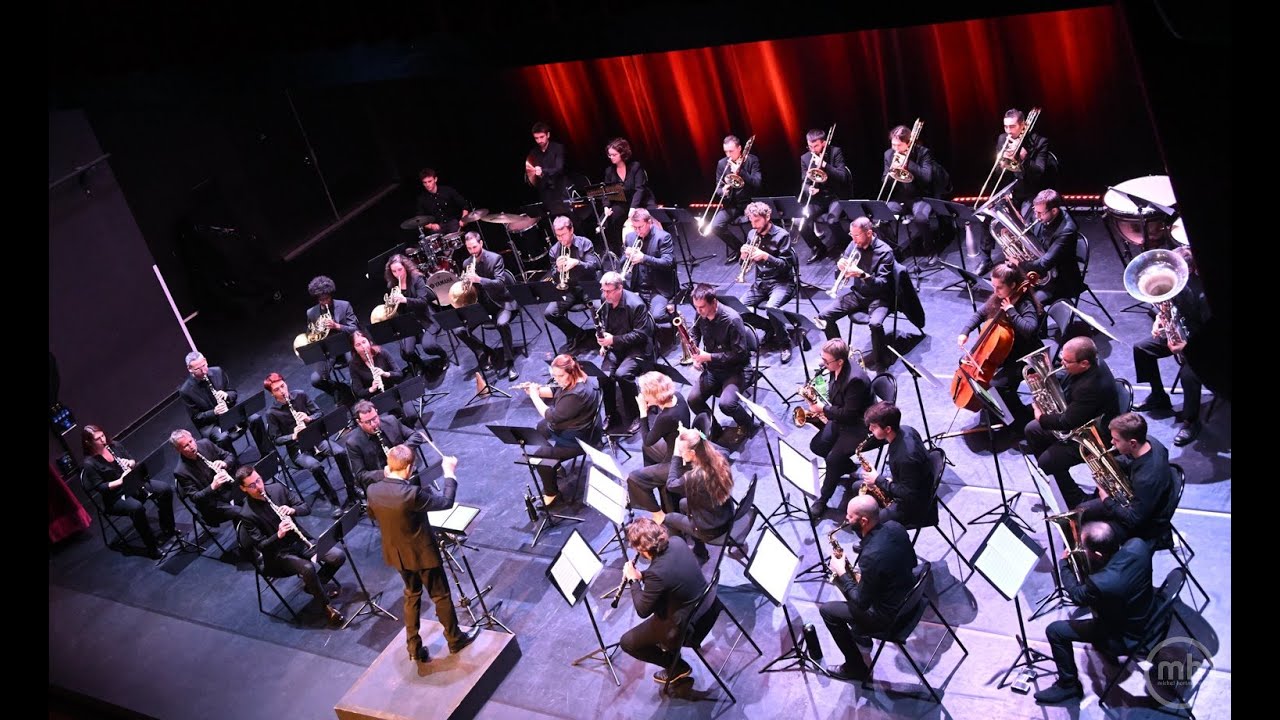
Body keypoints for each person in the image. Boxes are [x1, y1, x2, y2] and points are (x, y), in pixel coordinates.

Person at [366, 445, 480, 663]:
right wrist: (449, 473)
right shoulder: (411, 494)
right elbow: (445, 502)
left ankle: (414, 647)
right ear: (408, 467)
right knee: (440, 595)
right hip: (422, 553)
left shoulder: (372, 490)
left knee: (411, 594)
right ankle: (455, 640)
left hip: (397, 553)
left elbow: (373, 514)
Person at [1034, 522, 1154, 705]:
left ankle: (1069, 686)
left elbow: (1076, 595)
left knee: (1055, 631)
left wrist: (1064, 564)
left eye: (1084, 547)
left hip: (1124, 635)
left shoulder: (1103, 583)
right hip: (1149, 614)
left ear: (1098, 554)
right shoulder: (1138, 545)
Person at [819, 495, 918, 682]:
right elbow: (912, 562)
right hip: (910, 595)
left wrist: (843, 573)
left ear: (863, 521)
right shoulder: (895, 527)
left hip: (889, 617)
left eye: (849, 517)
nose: (846, 520)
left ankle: (855, 667)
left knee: (828, 611)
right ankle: (860, 634)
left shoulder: (870, 556)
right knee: (854, 585)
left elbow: (862, 603)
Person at [234, 466, 347, 626]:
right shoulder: (247, 514)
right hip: (278, 555)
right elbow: (261, 546)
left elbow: (305, 508)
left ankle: (315, 585)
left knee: (338, 556)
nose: (259, 486)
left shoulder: (277, 489)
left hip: (300, 541)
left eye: (258, 480)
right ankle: (326, 606)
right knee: (308, 569)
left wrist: (293, 510)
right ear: (243, 488)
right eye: (252, 485)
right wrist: (278, 534)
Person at [1024, 336, 1121, 509]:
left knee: (1047, 461)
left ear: (1084, 363)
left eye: (1067, 362)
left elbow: (1066, 421)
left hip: (1095, 437)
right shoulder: (1091, 363)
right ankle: (1057, 483)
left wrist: (1041, 416)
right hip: (1080, 419)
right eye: (1062, 358)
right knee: (1032, 430)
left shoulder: (1091, 386)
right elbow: (1067, 378)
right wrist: (1041, 379)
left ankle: (1075, 501)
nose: (1061, 364)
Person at [619, 518, 711, 686]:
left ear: (644, 551)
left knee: (627, 642)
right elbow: (670, 572)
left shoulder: (657, 575)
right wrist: (643, 575)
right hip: (708, 607)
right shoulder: (677, 542)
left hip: (686, 625)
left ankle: (676, 666)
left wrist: (633, 580)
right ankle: (670, 652)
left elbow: (642, 610)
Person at [956, 261, 1045, 431]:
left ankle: (1020, 420)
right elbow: (980, 313)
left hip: (1025, 356)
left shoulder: (1025, 304)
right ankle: (998, 409)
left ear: (1013, 285)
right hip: (1006, 353)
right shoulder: (999, 297)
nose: (995, 291)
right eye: (993, 286)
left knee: (997, 385)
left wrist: (1011, 310)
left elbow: (1030, 329)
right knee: (965, 362)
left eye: (999, 287)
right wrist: (965, 331)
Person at [1132, 246, 1207, 446]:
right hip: (1179, 333)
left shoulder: (1202, 294)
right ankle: (1158, 395)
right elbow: (1167, 308)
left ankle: (1191, 421)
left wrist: (1186, 346)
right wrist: (1159, 320)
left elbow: (1212, 333)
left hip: (1201, 345)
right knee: (1141, 349)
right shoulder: (1174, 285)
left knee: (1188, 375)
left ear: (1189, 269)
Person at [262, 372, 357, 517]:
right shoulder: (272, 413)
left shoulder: (300, 395)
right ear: (272, 394)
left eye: (283, 386)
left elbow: (319, 413)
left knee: (340, 452)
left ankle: (352, 489)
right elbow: (276, 440)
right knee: (315, 466)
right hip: (298, 449)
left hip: (316, 439)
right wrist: (293, 436)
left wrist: (308, 418)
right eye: (277, 390)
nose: (282, 391)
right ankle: (334, 502)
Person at [974, 108, 1055, 276]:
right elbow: (998, 174)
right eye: (1006, 127)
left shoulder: (1039, 142)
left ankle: (1027, 264)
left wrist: (1024, 159)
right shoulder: (1003, 139)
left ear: (1023, 126)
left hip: (1032, 192)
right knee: (986, 217)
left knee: (1023, 225)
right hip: (1011, 191)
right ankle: (985, 259)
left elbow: (1039, 173)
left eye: (1012, 127)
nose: (1008, 132)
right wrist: (1001, 162)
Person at [1077, 413, 1177, 543]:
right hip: (1142, 502)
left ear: (1133, 443)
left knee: (1089, 525)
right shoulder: (1150, 442)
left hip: (1146, 526)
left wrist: (1107, 499)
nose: (1112, 442)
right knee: (1083, 509)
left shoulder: (1146, 478)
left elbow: (1133, 519)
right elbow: (1130, 460)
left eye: (1116, 440)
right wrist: (1107, 462)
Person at [80, 425, 176, 559]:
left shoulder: (115, 446)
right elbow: (101, 488)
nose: (103, 440)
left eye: (102, 435)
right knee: (137, 508)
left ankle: (167, 528)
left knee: (165, 489)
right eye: (97, 439)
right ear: (88, 442)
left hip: (134, 484)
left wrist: (130, 463)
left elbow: (133, 461)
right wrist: (121, 480)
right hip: (115, 497)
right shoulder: (90, 464)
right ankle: (152, 547)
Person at [815, 217, 896, 370]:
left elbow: (883, 284)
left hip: (879, 298)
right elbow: (841, 273)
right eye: (851, 235)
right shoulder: (853, 245)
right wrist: (839, 267)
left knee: (875, 324)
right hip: (858, 295)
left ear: (869, 233)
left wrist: (862, 275)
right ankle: (838, 354)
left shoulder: (885, 252)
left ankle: (881, 361)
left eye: (857, 235)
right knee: (824, 316)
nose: (853, 239)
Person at [807, 339, 875, 521]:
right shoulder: (834, 368)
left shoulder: (855, 380)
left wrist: (823, 409)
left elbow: (851, 415)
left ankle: (823, 499)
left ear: (840, 361)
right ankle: (848, 467)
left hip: (861, 425)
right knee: (817, 446)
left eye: (826, 361)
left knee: (832, 458)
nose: (823, 364)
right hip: (842, 418)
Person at [523, 354, 603, 506]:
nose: (556, 379)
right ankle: (556, 465)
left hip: (579, 440)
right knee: (541, 428)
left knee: (541, 457)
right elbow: (557, 392)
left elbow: (551, 416)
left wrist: (534, 396)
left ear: (571, 372)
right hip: (582, 426)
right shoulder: (582, 380)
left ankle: (552, 494)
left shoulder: (576, 395)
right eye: (554, 376)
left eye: (560, 376)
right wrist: (537, 390)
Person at [687, 283, 757, 443]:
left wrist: (709, 357)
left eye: (702, 307)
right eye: (696, 307)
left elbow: (740, 354)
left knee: (727, 404)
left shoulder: (732, 320)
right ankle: (715, 429)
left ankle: (748, 425)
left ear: (714, 302)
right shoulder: (700, 314)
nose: (698, 311)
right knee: (693, 399)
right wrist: (695, 349)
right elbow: (695, 331)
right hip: (713, 370)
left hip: (736, 371)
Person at [655, 427, 736, 561]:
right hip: (726, 512)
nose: (681, 454)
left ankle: (682, 556)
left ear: (692, 453)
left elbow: (671, 485)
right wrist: (695, 436)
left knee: (668, 518)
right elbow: (724, 449)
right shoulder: (720, 456)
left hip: (712, 529)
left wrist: (675, 454)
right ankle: (700, 549)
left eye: (682, 452)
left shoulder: (694, 477)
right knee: (682, 503)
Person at [452, 232, 520, 381]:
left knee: (502, 324)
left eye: (475, 247)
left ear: (481, 243)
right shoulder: (466, 263)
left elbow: (500, 284)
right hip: (481, 306)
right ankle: (486, 352)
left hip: (501, 303)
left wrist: (479, 279)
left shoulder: (495, 259)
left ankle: (510, 363)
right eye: (469, 249)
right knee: (459, 330)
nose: (473, 251)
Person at [596, 271, 656, 434]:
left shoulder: (637, 305)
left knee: (623, 375)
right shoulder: (605, 301)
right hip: (616, 346)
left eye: (608, 291)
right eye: (603, 290)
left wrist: (613, 340)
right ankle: (611, 414)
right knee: (603, 375)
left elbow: (641, 335)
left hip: (637, 348)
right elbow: (605, 325)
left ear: (620, 288)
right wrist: (603, 342)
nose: (604, 294)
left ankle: (637, 414)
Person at [855, 402, 933, 527]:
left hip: (914, 506)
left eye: (874, 427)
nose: (870, 429)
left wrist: (879, 480)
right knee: (857, 486)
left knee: (867, 522)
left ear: (888, 429)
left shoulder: (906, 457)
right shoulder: (907, 429)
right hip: (907, 484)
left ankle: (872, 541)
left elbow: (909, 494)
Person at [627, 371, 694, 514]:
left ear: (653, 394)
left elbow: (648, 439)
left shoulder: (666, 417)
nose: (642, 395)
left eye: (644, 392)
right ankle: (653, 480)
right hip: (682, 446)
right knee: (646, 449)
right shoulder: (679, 397)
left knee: (633, 478)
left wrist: (643, 412)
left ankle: (658, 514)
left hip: (679, 461)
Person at [739, 200, 797, 363]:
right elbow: (745, 264)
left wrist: (766, 256)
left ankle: (785, 343)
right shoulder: (752, 234)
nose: (754, 225)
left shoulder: (782, 235)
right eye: (751, 221)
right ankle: (771, 327)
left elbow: (786, 266)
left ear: (767, 217)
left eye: (757, 221)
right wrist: (743, 257)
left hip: (782, 282)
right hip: (761, 283)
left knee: (772, 308)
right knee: (739, 311)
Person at [881, 123, 943, 263]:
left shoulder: (923, 153)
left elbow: (927, 178)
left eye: (898, 145)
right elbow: (884, 180)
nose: (895, 149)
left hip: (920, 198)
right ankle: (896, 251)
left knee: (921, 218)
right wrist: (892, 172)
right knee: (881, 218)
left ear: (908, 143)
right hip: (900, 199)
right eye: (893, 145)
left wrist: (908, 163)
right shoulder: (888, 154)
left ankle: (930, 251)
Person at [544, 215, 602, 353]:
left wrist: (577, 263)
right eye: (557, 236)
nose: (560, 239)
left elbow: (593, 266)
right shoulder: (554, 250)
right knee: (550, 313)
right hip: (568, 289)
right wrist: (557, 269)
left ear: (571, 230)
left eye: (563, 235)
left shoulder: (585, 243)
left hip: (588, 285)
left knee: (599, 307)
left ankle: (603, 336)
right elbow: (554, 276)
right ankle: (576, 334)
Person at [383, 253, 449, 376]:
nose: (398, 274)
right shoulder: (392, 285)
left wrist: (405, 300)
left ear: (405, 267)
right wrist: (392, 305)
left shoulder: (417, 279)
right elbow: (398, 310)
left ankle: (444, 356)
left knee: (428, 346)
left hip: (425, 318)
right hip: (409, 323)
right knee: (406, 352)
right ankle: (421, 365)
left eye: (400, 270)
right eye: (394, 271)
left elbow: (423, 302)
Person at [345, 400, 430, 492]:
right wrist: (384, 473)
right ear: (359, 422)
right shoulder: (353, 443)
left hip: (405, 471)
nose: (374, 424)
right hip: (383, 483)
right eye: (368, 422)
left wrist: (399, 451)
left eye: (374, 418)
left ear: (377, 413)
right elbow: (360, 475)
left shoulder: (391, 421)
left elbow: (416, 436)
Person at [1020, 189, 1083, 306]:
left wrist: (1020, 263)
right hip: (1043, 274)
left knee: (1027, 303)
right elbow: (1031, 237)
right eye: (1035, 211)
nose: (1036, 216)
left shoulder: (1066, 230)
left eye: (1040, 213)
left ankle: (1035, 324)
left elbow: (1044, 264)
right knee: (1008, 289)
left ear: (1054, 211)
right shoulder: (1042, 215)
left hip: (1060, 281)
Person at [177, 351, 248, 454]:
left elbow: (233, 392)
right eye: (198, 369)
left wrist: (226, 395)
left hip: (229, 412)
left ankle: (268, 454)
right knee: (223, 438)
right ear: (190, 369)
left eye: (204, 365)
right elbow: (196, 417)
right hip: (212, 424)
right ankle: (234, 465)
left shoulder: (217, 371)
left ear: (205, 360)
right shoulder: (186, 391)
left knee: (255, 418)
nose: (203, 371)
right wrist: (214, 412)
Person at [304, 275, 360, 404]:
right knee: (316, 380)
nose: (325, 302)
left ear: (331, 295)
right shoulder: (311, 313)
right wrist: (316, 333)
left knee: (354, 363)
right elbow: (310, 334)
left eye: (327, 299)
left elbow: (354, 328)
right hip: (328, 350)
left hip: (347, 343)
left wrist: (337, 326)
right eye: (321, 300)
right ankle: (340, 390)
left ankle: (360, 389)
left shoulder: (344, 305)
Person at [797, 127, 852, 261]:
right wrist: (809, 189)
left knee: (832, 219)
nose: (812, 150)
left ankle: (846, 246)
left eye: (815, 146)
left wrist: (825, 165)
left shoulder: (835, 152)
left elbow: (843, 177)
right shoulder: (805, 158)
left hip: (836, 196)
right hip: (818, 198)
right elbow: (804, 182)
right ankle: (818, 247)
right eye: (810, 146)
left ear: (824, 143)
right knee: (800, 220)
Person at [706, 134, 762, 263]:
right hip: (731, 205)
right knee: (715, 226)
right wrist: (723, 191)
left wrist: (741, 171)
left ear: (739, 148)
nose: (728, 155)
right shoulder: (722, 164)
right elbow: (718, 187)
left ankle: (759, 250)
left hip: (750, 203)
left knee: (758, 223)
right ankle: (740, 249)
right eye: (726, 151)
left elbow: (757, 183)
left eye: (731, 151)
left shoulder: (752, 160)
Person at [170, 428, 241, 526]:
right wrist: (212, 486)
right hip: (212, 504)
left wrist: (224, 463)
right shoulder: (181, 471)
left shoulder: (205, 444)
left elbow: (229, 456)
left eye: (191, 441)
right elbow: (195, 497)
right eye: (186, 445)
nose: (191, 446)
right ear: (178, 450)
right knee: (240, 512)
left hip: (228, 489)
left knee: (252, 492)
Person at [620, 208, 678, 325]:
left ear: (649, 222)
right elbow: (622, 263)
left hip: (658, 289)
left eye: (640, 227)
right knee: (625, 314)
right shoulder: (630, 237)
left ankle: (676, 317)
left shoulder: (663, 237)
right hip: (638, 288)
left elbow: (668, 263)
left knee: (657, 316)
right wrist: (626, 256)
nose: (637, 231)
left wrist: (643, 258)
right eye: (634, 227)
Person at [601, 137, 656, 257]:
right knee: (611, 218)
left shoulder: (635, 167)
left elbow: (639, 189)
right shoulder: (609, 171)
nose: (611, 157)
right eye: (610, 155)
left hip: (640, 200)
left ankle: (652, 247)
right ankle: (619, 252)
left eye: (614, 154)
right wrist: (606, 206)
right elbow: (607, 191)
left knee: (650, 215)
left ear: (622, 153)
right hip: (623, 201)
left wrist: (633, 208)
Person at [525, 121, 568, 216]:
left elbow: (559, 168)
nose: (539, 140)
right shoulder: (534, 152)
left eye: (541, 137)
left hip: (560, 190)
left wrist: (542, 171)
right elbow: (530, 173)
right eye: (536, 138)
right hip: (545, 193)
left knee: (566, 218)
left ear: (548, 135)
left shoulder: (557, 148)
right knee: (551, 220)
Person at [415, 168, 473, 235]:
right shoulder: (422, 199)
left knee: (455, 228)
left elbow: (464, 205)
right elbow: (419, 220)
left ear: (435, 179)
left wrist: (464, 219)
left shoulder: (447, 190)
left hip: (453, 223)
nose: (427, 185)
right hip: (437, 228)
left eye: (430, 181)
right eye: (425, 182)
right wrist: (431, 225)